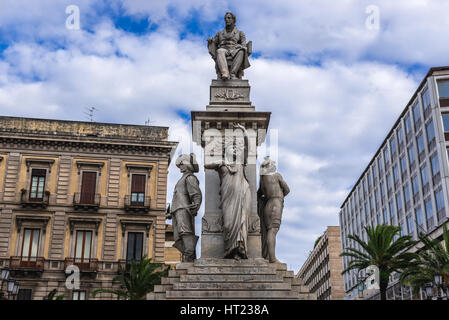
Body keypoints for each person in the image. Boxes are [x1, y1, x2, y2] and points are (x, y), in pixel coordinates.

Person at [204, 123, 251, 260]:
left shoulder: (241, 163)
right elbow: (206, 164)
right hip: (228, 199)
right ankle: (229, 249)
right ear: (226, 151)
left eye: (237, 148)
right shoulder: (221, 164)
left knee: (241, 222)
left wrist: (244, 131)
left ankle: (239, 250)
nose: (235, 149)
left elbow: (248, 148)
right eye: (232, 148)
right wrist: (222, 162)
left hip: (241, 195)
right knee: (228, 224)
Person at [166, 154, 202, 262]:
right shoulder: (182, 179)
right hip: (176, 210)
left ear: (187, 165)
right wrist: (170, 213)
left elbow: (196, 194)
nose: (180, 167)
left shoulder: (190, 178)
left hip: (183, 209)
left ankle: (189, 257)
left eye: (181, 164)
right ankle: (188, 255)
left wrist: (196, 204)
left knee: (185, 232)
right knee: (178, 236)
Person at [257, 157, 290, 263]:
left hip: (267, 205)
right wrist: (280, 196)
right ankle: (272, 258)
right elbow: (287, 189)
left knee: (269, 230)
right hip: (276, 203)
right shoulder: (276, 175)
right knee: (273, 230)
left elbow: (259, 193)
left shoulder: (262, 179)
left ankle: (269, 255)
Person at [207, 12, 251, 80]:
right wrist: (210, 41)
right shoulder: (220, 33)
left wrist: (240, 46)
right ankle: (225, 73)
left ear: (233, 20)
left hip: (234, 50)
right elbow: (214, 42)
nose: (226, 20)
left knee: (242, 51)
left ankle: (233, 74)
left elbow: (244, 44)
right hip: (223, 49)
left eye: (229, 18)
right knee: (219, 51)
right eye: (225, 18)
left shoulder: (240, 33)